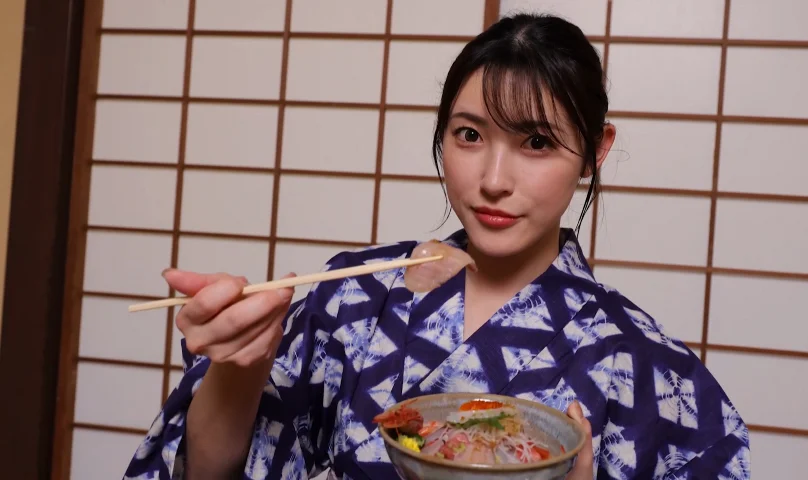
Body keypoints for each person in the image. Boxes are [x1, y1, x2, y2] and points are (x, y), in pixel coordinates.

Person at [124, 13, 751, 480]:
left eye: (536, 143)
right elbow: (209, 472)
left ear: (594, 151)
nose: (494, 180)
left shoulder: (644, 364)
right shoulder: (351, 296)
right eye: (469, 134)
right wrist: (240, 366)